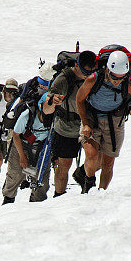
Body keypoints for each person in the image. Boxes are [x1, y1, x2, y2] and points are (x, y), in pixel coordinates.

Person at [76, 50, 131, 193]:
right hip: (92, 117)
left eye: (121, 78)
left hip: (115, 121)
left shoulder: (128, 84)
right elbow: (79, 99)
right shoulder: (93, 79)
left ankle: (101, 193)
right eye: (114, 77)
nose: (117, 81)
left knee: (108, 163)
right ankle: (88, 183)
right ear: (107, 69)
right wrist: (85, 123)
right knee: (92, 154)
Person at [46, 50, 97, 197]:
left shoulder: (95, 76)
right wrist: (52, 102)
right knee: (64, 165)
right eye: (85, 72)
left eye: (91, 72)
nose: (88, 76)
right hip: (65, 127)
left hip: (87, 124)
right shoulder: (64, 79)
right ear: (77, 66)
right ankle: (58, 195)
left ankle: (83, 176)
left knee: (97, 159)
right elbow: (48, 104)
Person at [1, 93, 53, 204]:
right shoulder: (27, 115)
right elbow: (16, 134)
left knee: (41, 178)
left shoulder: (55, 118)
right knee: (15, 174)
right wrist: (22, 156)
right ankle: (8, 199)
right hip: (22, 144)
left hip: (43, 147)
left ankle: (36, 204)